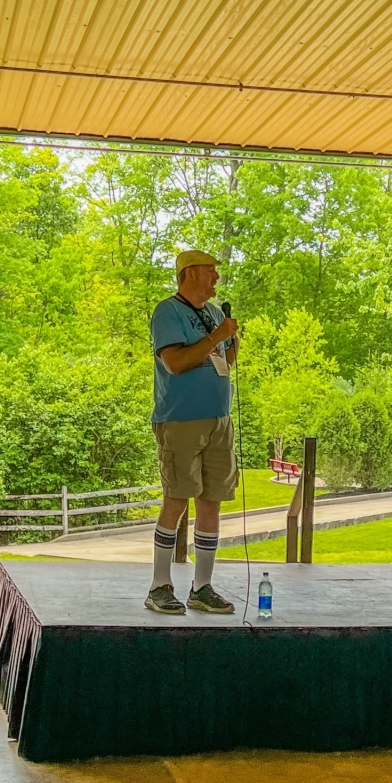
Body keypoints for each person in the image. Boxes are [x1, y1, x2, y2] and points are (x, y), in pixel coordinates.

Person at [146, 250, 240, 615]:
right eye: (210, 272)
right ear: (189, 274)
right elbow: (177, 362)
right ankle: (159, 585)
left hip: (219, 420)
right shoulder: (168, 311)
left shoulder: (214, 313)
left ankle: (202, 587)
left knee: (212, 500)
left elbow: (225, 361)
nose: (216, 278)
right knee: (177, 499)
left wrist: (229, 339)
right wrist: (217, 336)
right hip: (180, 421)